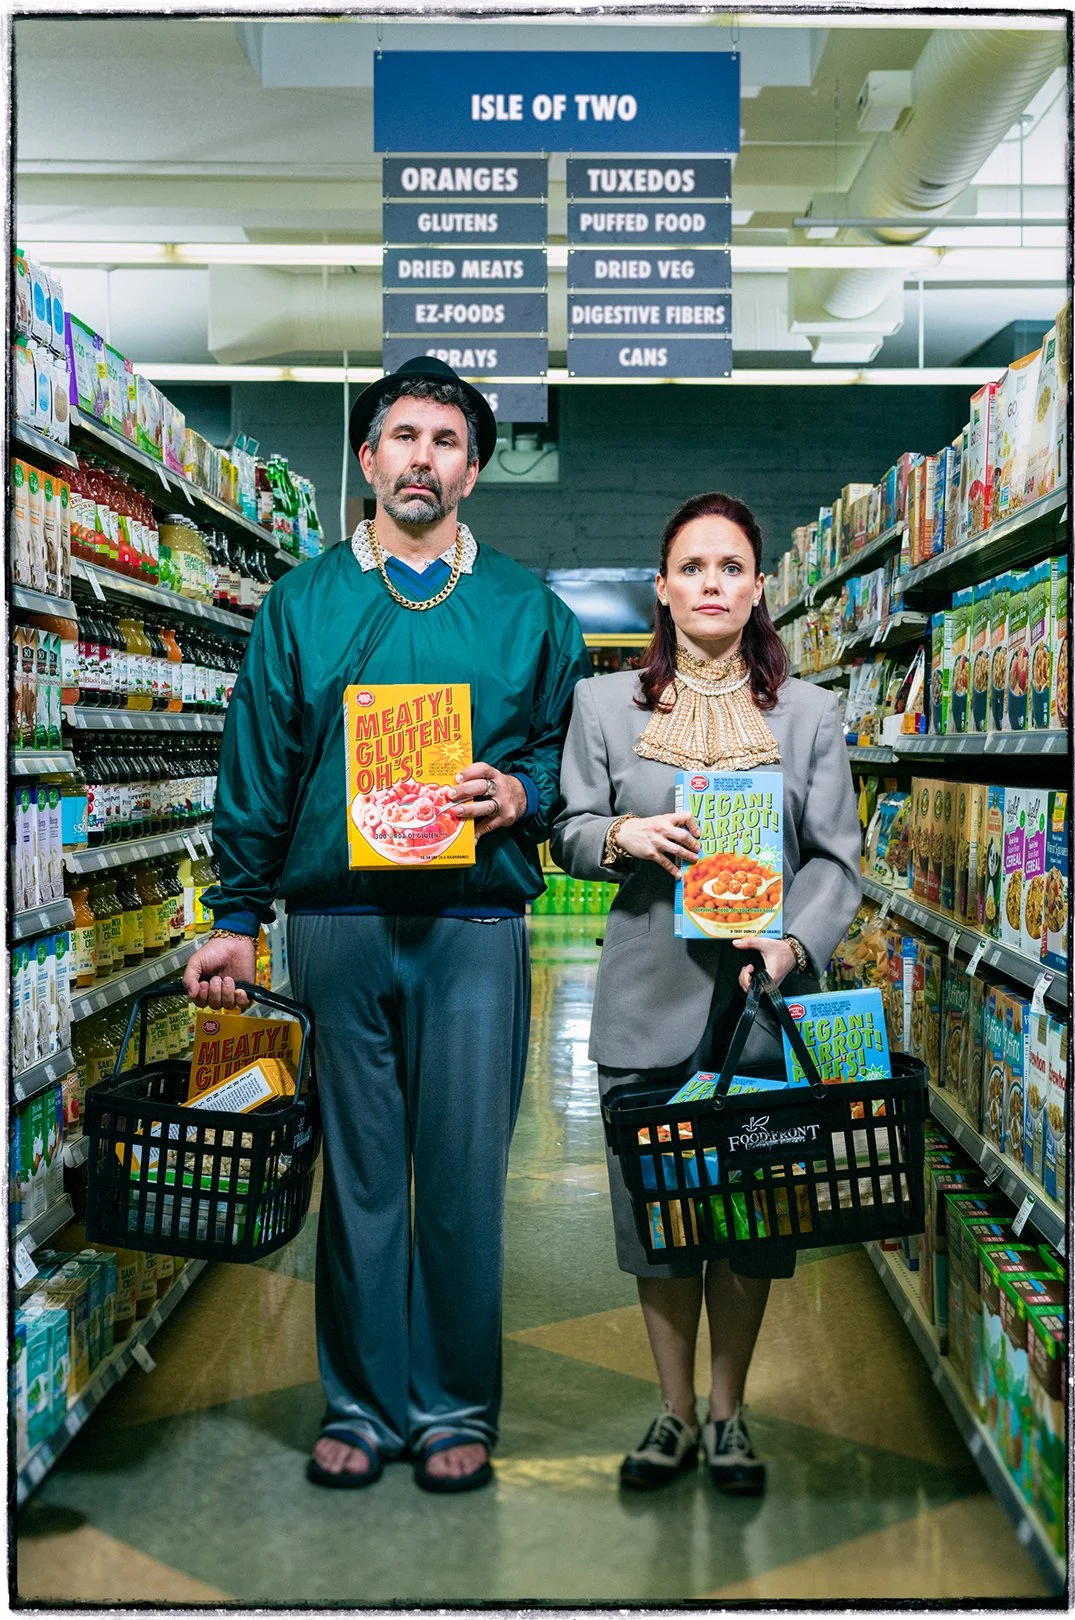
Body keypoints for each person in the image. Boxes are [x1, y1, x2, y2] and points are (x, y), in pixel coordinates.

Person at [184, 357, 591, 1495]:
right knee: (360, 1176)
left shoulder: (528, 610)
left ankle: (454, 1402)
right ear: (366, 459)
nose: (423, 457)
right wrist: (234, 916)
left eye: (447, 440)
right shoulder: (304, 604)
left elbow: (573, 753)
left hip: (472, 925)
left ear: (474, 467)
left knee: (462, 1176)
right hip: (337, 923)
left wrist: (525, 793)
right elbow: (256, 769)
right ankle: (361, 1402)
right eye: (402, 436)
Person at [550, 490, 861, 1497]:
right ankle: (673, 1412)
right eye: (693, 567)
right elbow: (567, 827)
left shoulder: (807, 714)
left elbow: (836, 862)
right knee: (659, 1227)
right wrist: (619, 839)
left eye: (730, 567)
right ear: (665, 588)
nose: (712, 583)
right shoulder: (606, 707)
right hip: (645, 1001)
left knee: (752, 1223)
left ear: (758, 587)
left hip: (760, 1014)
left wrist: (794, 945)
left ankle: (729, 1415)